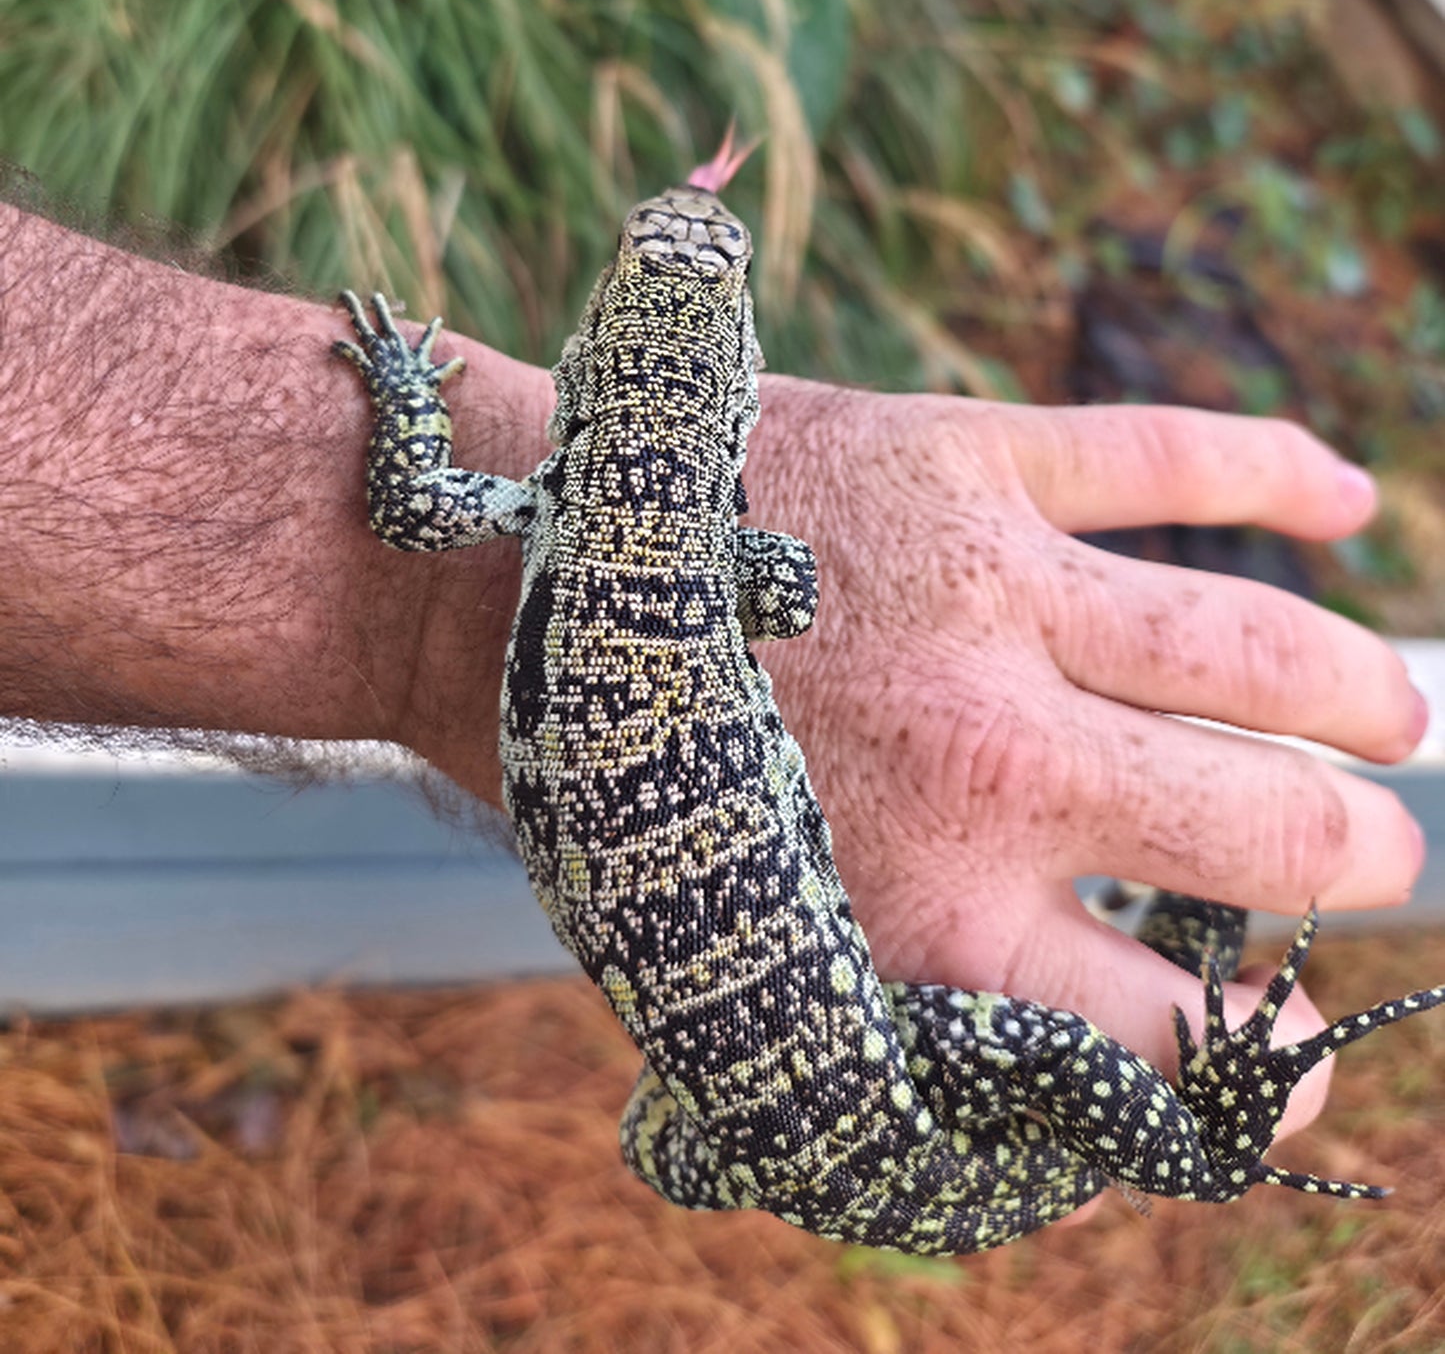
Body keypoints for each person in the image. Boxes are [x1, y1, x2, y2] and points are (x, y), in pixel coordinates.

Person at [0, 198, 1426, 1159]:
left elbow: (417, 506)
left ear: (596, 359)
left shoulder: (534, 502)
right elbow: (785, 588)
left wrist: (411, 394)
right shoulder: (694, 535)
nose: (684, 237)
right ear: (737, 391)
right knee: (687, 1142)